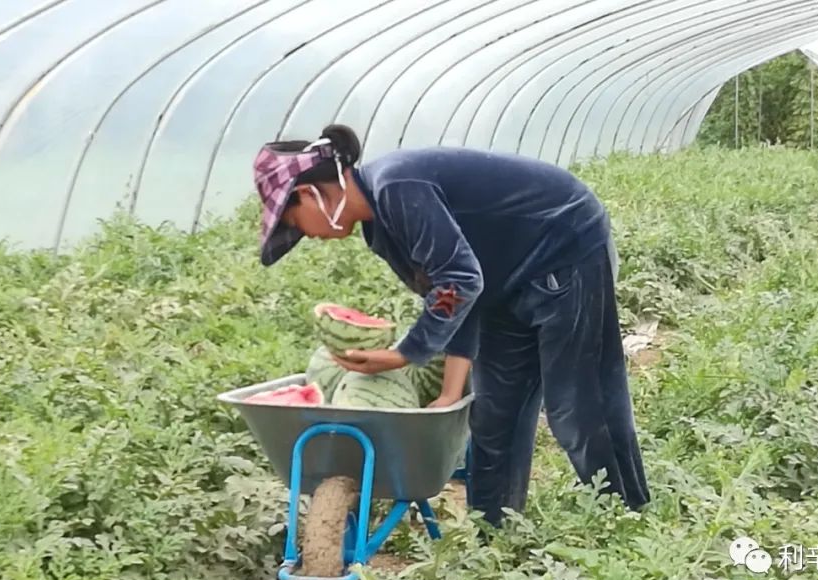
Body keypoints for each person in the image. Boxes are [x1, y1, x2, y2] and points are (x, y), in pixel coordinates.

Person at [251, 124, 650, 526]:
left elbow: (459, 282)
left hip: (565, 246)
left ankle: (625, 519)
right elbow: (457, 295)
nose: (305, 236)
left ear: (308, 194)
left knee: (578, 404)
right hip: (502, 277)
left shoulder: (396, 188)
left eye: (295, 223)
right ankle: (494, 531)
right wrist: (449, 391)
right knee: (494, 416)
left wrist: (404, 353)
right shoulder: (381, 227)